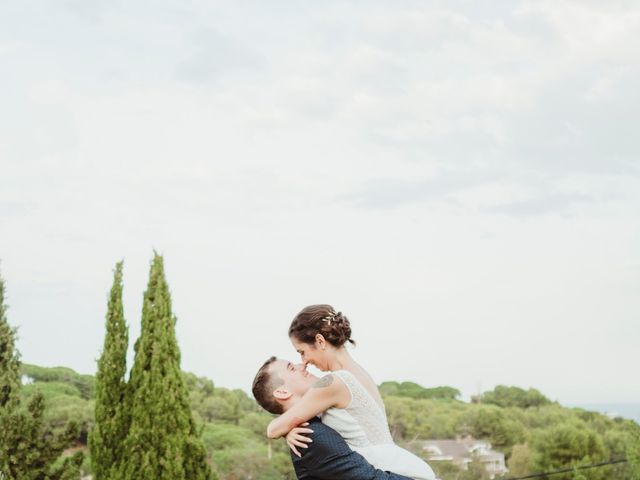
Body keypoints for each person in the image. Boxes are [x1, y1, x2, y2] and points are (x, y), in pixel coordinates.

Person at [265, 304, 436, 480]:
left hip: (391, 470)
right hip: (401, 464)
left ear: (320, 341)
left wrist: (287, 431)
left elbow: (273, 429)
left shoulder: (332, 382)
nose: (304, 361)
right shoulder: (358, 373)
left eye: (302, 352)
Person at [252, 357, 413, 480]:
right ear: (282, 392)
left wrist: (285, 430)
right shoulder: (311, 436)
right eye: (292, 368)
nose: (303, 364)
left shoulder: (318, 419)